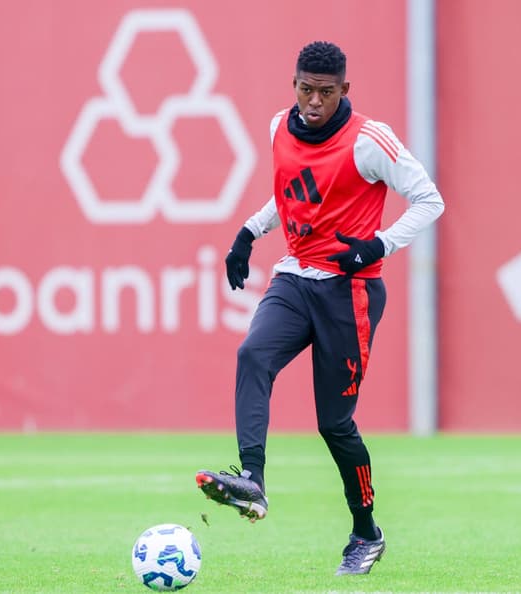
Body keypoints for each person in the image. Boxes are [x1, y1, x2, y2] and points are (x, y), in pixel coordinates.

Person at [195, 41, 444, 576]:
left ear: (344, 91)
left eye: (325, 93)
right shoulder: (278, 127)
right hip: (295, 277)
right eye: (305, 89)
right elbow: (289, 194)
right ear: (295, 85)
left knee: (334, 425)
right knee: (252, 355)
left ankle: (365, 532)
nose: (313, 102)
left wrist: (377, 245)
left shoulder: (370, 142)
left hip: (348, 293)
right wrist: (248, 232)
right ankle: (253, 481)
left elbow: (430, 200)